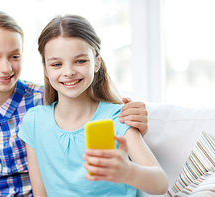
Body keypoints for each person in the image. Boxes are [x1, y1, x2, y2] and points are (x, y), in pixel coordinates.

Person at [0, 11, 149, 197]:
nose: (5, 68)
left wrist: (134, 122)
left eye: (15, 56)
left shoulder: (41, 98)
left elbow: (84, 105)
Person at [18, 14, 168, 197]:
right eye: (57, 64)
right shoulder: (34, 121)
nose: (69, 72)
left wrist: (128, 171)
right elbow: (40, 193)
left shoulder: (117, 117)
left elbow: (161, 183)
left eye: (80, 61)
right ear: (46, 70)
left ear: (96, 62)